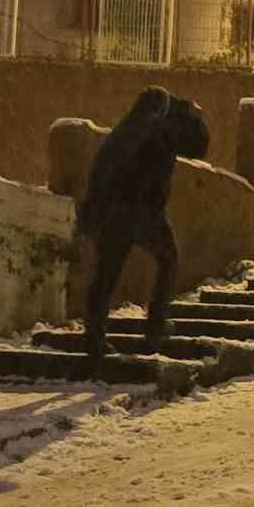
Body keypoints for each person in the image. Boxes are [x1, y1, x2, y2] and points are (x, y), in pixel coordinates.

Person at [78, 87, 209, 363]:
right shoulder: (162, 132)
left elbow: (101, 170)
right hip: (144, 212)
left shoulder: (123, 133)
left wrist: (93, 210)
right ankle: (155, 327)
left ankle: (93, 335)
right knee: (168, 259)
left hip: (116, 212)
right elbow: (200, 147)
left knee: (107, 273)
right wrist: (194, 118)